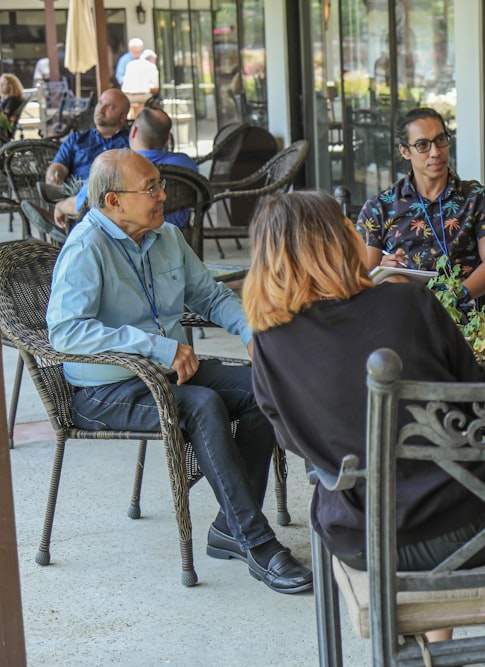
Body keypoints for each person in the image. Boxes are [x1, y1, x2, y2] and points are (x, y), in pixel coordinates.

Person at [245, 189, 485, 640]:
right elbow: (480, 406)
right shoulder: (410, 303)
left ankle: (425, 651)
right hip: (475, 527)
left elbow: (295, 439)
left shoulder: (269, 343)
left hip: (364, 540)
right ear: (338, 239)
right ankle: (435, 651)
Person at [46, 148, 312, 595]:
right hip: (105, 389)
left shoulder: (166, 236)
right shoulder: (86, 248)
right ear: (114, 201)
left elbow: (210, 297)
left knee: (262, 387)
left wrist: (252, 334)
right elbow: (66, 333)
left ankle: (231, 525)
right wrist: (157, 347)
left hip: (169, 373)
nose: (163, 194)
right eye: (150, 188)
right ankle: (258, 542)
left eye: (159, 185)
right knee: (201, 405)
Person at [355, 107, 485, 301]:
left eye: (440, 140)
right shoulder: (379, 208)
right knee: (394, 282)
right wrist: (381, 270)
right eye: (422, 145)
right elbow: (359, 277)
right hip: (399, 308)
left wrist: (451, 297)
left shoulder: (478, 199)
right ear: (405, 151)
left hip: (458, 309)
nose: (435, 152)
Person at [53, 108, 198, 230]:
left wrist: (60, 206)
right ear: (167, 138)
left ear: (133, 131)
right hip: (177, 238)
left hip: (128, 247)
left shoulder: (114, 169)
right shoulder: (187, 164)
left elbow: (81, 206)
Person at [46, 89, 131, 185]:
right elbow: (59, 166)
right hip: (78, 196)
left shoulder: (131, 142)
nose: (101, 109)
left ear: (123, 117)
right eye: (100, 103)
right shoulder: (76, 140)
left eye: (110, 107)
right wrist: (54, 175)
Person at [121, 49, 160, 115]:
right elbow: (155, 84)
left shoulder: (131, 64)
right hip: (142, 96)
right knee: (153, 100)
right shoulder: (151, 66)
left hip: (127, 96)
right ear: (151, 59)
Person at [0, 73, 24, 143]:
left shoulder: (13, 99)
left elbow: (4, 116)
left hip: (4, 132)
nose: (0, 86)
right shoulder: (9, 99)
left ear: (11, 86)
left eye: (3, 84)